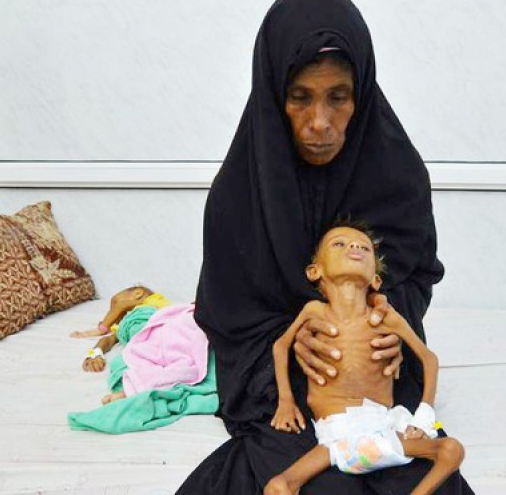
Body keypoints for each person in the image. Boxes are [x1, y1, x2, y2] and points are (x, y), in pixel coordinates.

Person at [178, 0, 474, 492]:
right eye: (299, 97)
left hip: (374, 379)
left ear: (362, 93)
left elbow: (418, 276)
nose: (320, 121)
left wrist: (383, 326)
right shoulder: (238, 194)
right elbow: (228, 314)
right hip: (282, 386)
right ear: (274, 94)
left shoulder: (398, 176)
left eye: (338, 97)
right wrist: (293, 342)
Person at [265, 223, 464, 495]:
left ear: (376, 280)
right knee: (279, 485)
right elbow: (281, 346)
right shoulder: (314, 312)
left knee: (452, 450)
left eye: (364, 247)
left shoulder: (385, 317)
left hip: (384, 429)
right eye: (340, 243)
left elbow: (429, 359)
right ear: (315, 271)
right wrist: (286, 402)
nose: (354, 247)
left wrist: (425, 415)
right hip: (336, 437)